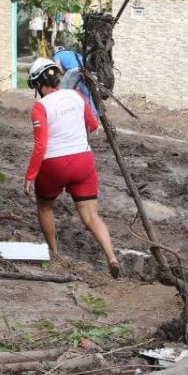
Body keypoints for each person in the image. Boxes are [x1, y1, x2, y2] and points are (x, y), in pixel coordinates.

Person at [23, 58, 120, 278]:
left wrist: (31, 175)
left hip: (54, 164)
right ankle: (111, 257)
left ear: (38, 84)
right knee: (92, 217)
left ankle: (55, 253)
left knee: (45, 208)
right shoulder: (77, 96)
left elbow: (41, 144)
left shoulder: (40, 106)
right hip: (83, 160)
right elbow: (93, 125)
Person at [52, 45, 97, 117]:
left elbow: (58, 66)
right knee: (86, 93)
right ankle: (94, 115)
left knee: (61, 91)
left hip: (73, 71)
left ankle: (62, 113)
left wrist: (63, 73)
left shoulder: (57, 55)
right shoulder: (72, 53)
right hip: (84, 70)